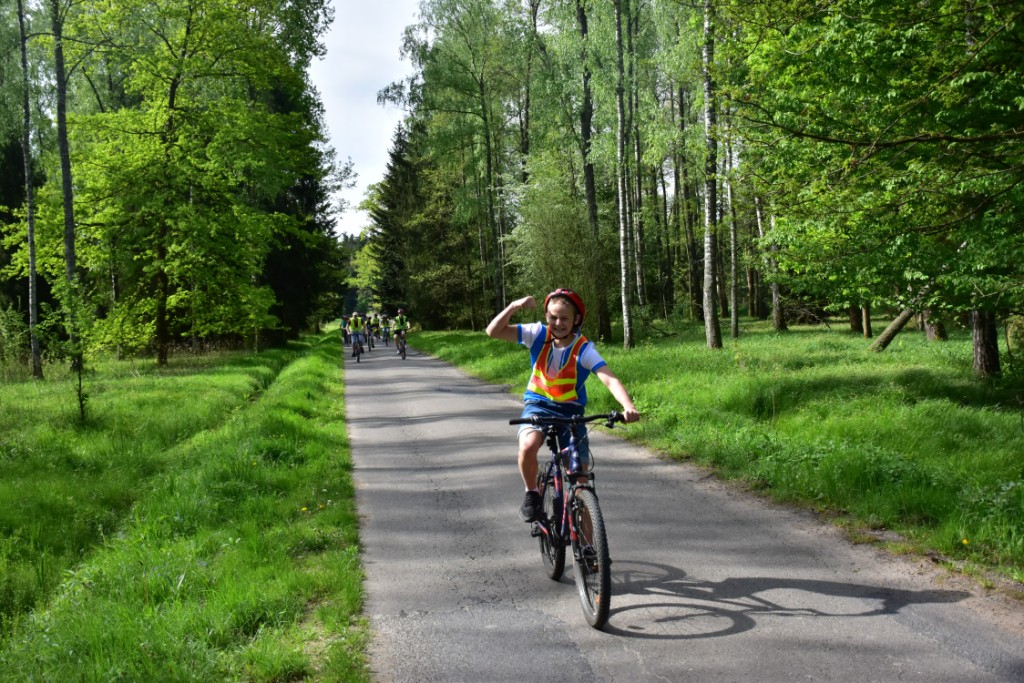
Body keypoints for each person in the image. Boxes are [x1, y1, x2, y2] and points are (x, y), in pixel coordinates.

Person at [485, 289, 640, 522]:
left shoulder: (584, 349)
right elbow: (493, 331)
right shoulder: (537, 333)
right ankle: (532, 494)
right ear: (546, 316)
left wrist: (628, 406)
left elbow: (609, 378)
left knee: (581, 482)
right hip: (538, 406)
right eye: (553, 317)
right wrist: (515, 306)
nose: (558, 323)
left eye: (564, 318)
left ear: (576, 319)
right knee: (528, 446)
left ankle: (591, 552)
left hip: (571, 412)